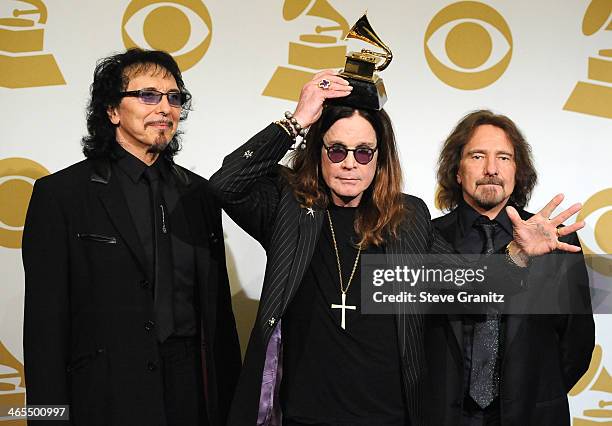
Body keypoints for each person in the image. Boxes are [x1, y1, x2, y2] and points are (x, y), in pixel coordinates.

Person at [210, 71, 585, 426]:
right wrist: (297, 119)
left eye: (363, 152)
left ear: (379, 157)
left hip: (390, 417)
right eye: (337, 150)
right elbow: (226, 184)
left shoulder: (407, 217)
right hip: (302, 414)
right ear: (318, 150)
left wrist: (517, 254)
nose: (349, 165)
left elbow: (471, 290)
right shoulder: (289, 206)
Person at [22, 48, 241, 426]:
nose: (165, 108)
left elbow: (218, 316)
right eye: (148, 95)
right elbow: (44, 331)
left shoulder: (202, 195)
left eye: (174, 98)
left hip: (192, 396)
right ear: (111, 110)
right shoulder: (61, 195)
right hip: (105, 395)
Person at [426, 110, 594, 425]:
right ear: (457, 170)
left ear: (518, 171)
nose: (491, 169)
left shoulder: (558, 242)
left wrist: (535, 396)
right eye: (478, 156)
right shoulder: (424, 238)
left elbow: (577, 346)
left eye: (504, 158)